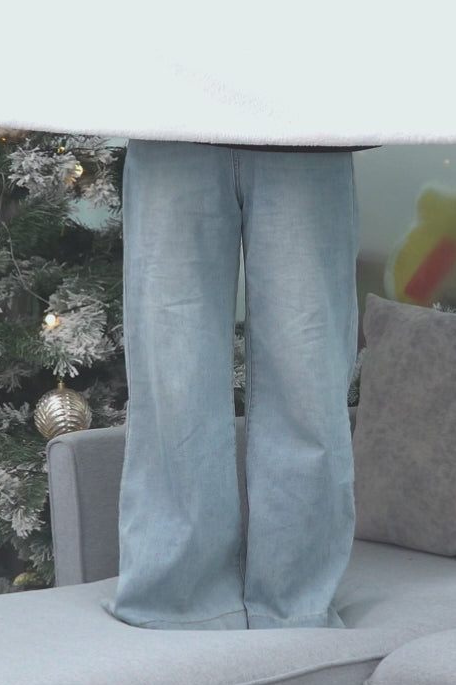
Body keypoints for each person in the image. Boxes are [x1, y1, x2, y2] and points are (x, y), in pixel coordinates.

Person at [102, 139, 359, 630]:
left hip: (308, 124)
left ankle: (295, 605)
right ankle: (177, 606)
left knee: (309, 378)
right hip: (171, 120)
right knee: (173, 377)